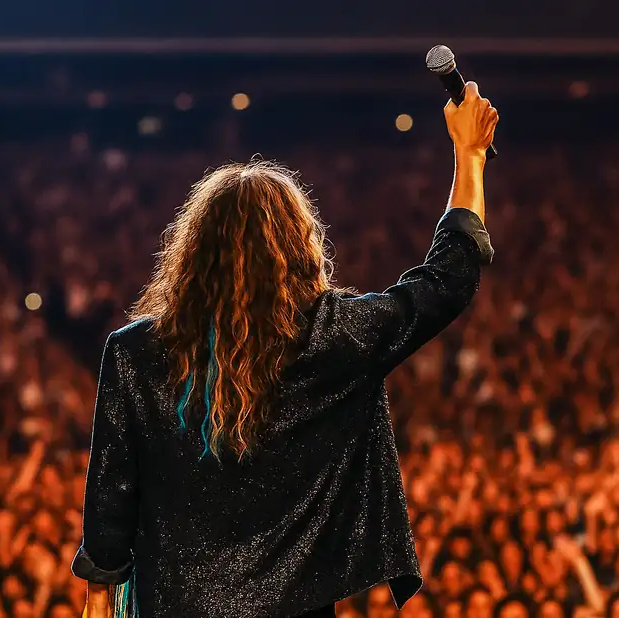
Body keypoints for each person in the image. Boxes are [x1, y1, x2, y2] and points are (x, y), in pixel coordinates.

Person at [70, 81, 498, 618]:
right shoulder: (333, 338)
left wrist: (98, 595)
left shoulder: (135, 354)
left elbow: (111, 500)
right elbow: (450, 277)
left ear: (194, 252)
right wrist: (469, 155)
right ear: (300, 246)